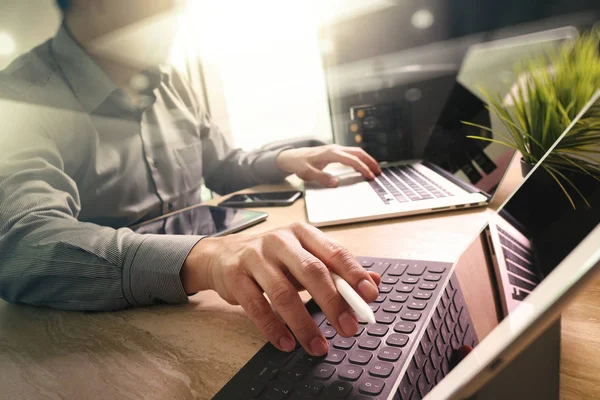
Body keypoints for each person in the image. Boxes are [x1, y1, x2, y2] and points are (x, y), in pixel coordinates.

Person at [0, 0, 382, 357]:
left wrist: (283, 159)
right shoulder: (17, 97)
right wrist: (206, 259)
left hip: (206, 309)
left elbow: (222, 164)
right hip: (101, 344)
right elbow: (21, 245)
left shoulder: (169, 80)